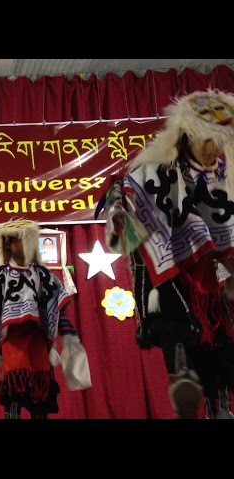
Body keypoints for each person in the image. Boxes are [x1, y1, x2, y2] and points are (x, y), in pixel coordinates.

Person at [101, 89, 234, 419]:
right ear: (186, 136)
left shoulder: (226, 175)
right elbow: (123, 190)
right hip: (174, 271)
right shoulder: (157, 171)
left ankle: (220, 405)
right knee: (176, 322)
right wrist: (118, 211)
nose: (213, 148)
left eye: (218, 140)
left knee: (221, 341)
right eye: (205, 140)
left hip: (217, 273)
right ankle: (183, 375)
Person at [0, 218, 90, 419]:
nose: (20, 244)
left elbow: (58, 306)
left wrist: (67, 333)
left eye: (24, 239)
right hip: (12, 345)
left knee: (40, 396)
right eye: (16, 240)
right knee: (14, 393)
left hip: (38, 343)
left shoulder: (43, 275)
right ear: (7, 244)